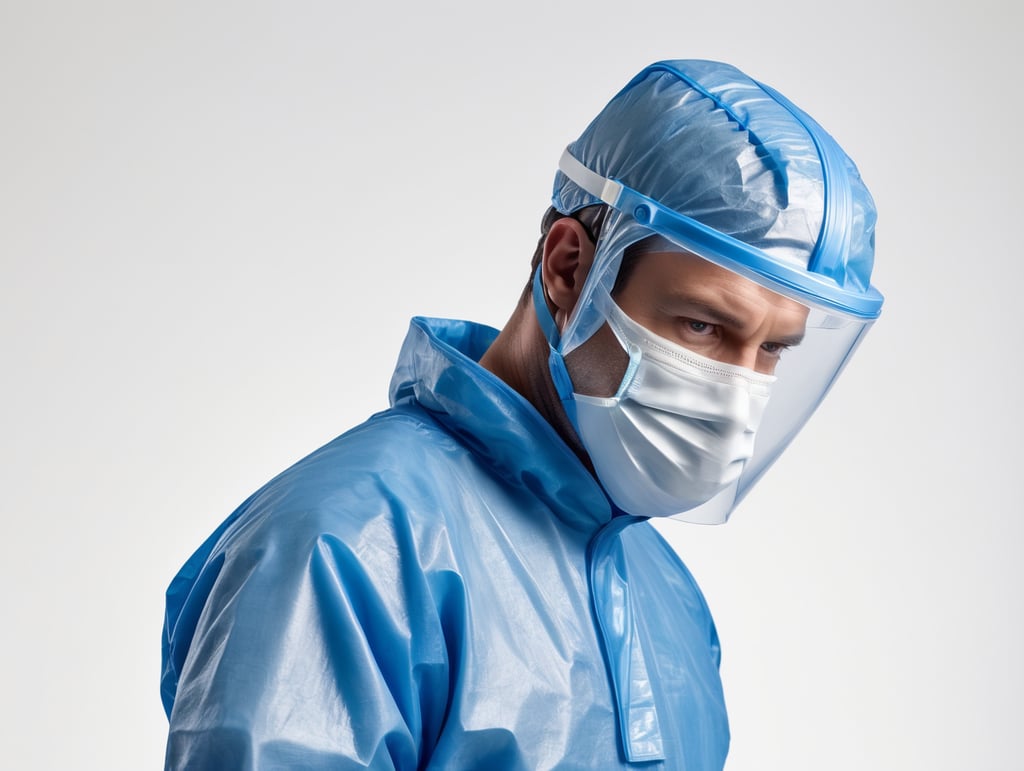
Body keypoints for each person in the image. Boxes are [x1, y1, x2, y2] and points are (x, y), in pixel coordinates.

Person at [161, 59, 883, 770]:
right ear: (569, 267)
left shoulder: (669, 600)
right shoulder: (346, 552)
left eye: (772, 349)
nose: (737, 387)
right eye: (702, 325)